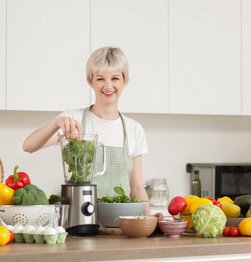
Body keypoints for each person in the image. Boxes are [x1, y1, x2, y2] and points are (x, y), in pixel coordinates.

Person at [23, 46, 162, 219]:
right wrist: (56, 124)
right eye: (100, 79)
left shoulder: (134, 129)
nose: (108, 85)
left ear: (125, 81)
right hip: (81, 221)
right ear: (91, 81)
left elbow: (137, 188)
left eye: (115, 78)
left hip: (121, 225)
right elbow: (28, 146)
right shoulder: (72, 119)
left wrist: (149, 221)